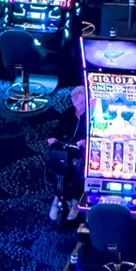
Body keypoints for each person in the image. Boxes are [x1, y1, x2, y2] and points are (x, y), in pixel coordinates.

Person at [46, 86, 87, 223]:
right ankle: (57, 197)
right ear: (73, 102)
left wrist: (84, 141)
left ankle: (75, 201)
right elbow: (55, 132)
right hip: (65, 148)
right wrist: (53, 139)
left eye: (85, 102)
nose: (83, 105)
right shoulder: (67, 114)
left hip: (80, 151)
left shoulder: (90, 116)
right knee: (58, 165)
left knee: (78, 167)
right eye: (80, 102)